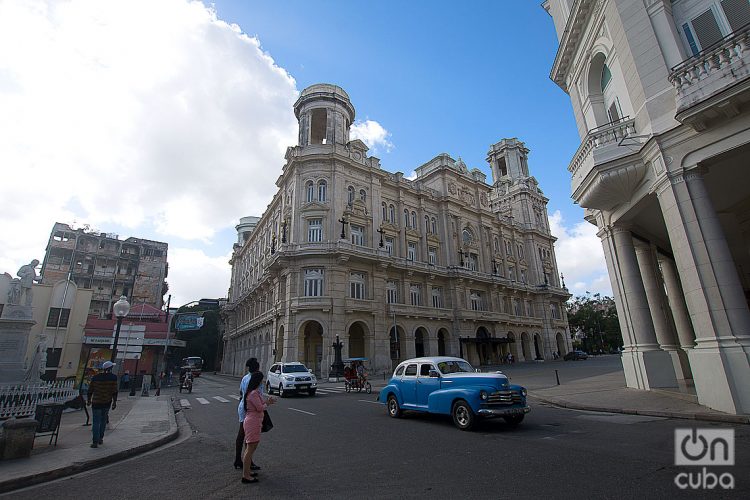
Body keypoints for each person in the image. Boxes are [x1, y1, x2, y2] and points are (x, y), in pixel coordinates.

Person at [235, 358, 262, 471]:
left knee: (242, 434)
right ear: (257, 368)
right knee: (249, 437)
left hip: (243, 406)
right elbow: (258, 395)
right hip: (251, 408)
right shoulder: (256, 378)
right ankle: (248, 462)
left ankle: (238, 459)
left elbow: (241, 392)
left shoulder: (245, 378)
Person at [242, 371, 268, 484]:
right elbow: (259, 407)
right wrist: (268, 404)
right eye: (261, 379)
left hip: (254, 421)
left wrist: (267, 402)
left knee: (251, 448)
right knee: (250, 449)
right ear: (258, 381)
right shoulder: (253, 393)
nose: (263, 381)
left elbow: (260, 404)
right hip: (252, 422)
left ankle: (247, 471)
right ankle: (246, 476)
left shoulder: (254, 392)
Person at [87, 360, 118, 448]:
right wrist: (114, 402)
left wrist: (89, 400)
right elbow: (114, 391)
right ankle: (100, 438)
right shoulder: (113, 378)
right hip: (106, 402)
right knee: (103, 420)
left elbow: (90, 390)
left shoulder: (96, 377)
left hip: (96, 402)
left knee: (96, 422)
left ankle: (94, 441)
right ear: (110, 368)